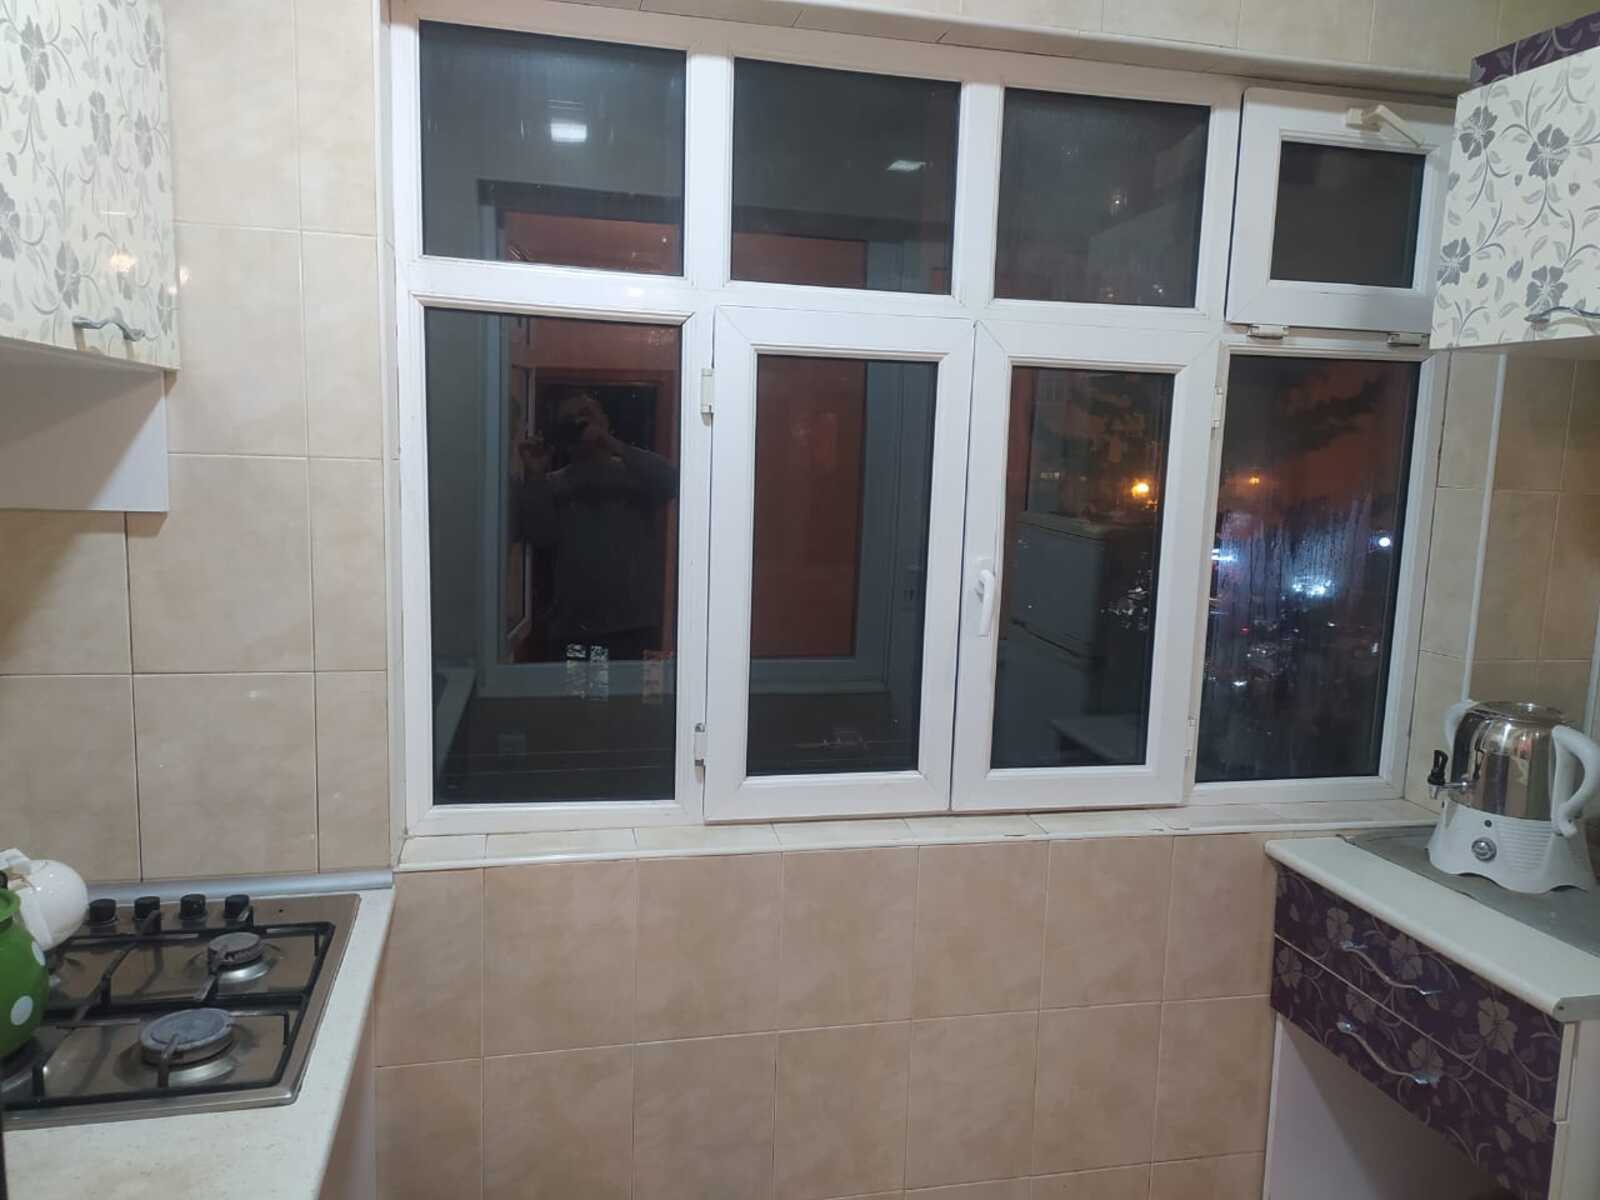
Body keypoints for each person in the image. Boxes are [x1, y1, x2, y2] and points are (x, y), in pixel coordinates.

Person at [515, 390, 678, 664]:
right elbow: (539, 536)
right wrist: (534, 475)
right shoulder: (551, 484)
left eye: (587, 415)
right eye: (570, 420)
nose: (580, 423)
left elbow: (673, 481)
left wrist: (611, 443)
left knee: (635, 693)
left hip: (635, 626)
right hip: (574, 628)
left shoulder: (636, 477)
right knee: (580, 693)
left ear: (605, 421)